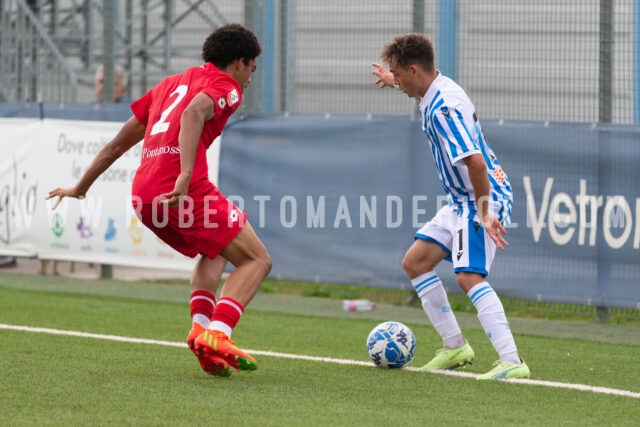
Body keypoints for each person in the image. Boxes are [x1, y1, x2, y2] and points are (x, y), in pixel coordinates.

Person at [47, 24, 272, 377]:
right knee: (258, 260)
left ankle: (200, 331)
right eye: (252, 70)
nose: (249, 80)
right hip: (182, 190)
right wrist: (184, 175)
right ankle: (218, 333)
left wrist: (80, 187)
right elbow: (193, 113)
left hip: (144, 195)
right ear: (239, 62)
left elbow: (115, 146)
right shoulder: (225, 85)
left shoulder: (168, 86)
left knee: (215, 251)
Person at [372, 33, 529, 380]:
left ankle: (512, 360)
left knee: (468, 276)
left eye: (398, 73)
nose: (396, 79)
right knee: (415, 262)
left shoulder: (443, 107)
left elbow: (476, 163)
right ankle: (455, 346)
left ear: (414, 70)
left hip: (482, 195)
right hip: (462, 199)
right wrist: (393, 82)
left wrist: (485, 211)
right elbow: (417, 86)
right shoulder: (432, 87)